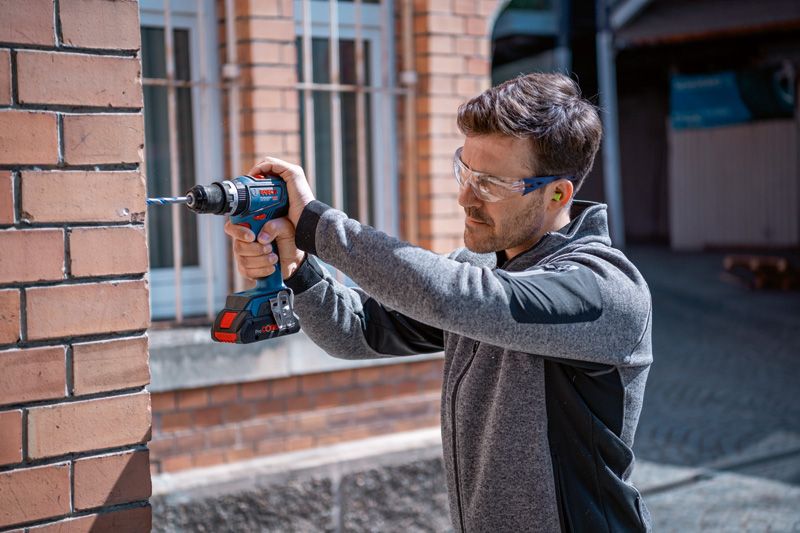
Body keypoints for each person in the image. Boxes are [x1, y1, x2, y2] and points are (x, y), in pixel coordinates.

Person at [225, 72, 653, 532]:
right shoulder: (483, 267)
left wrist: (317, 224)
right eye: (465, 171)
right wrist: (298, 267)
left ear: (557, 194)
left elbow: (456, 297)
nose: (465, 196)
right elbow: (354, 332)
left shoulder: (603, 288)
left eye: (490, 184)